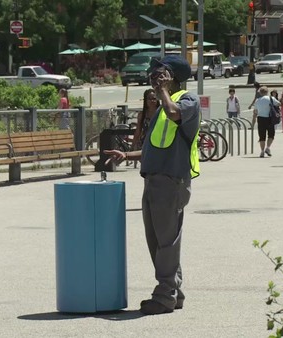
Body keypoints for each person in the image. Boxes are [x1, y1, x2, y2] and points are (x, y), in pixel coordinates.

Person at [104, 55, 200, 316]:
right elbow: (153, 147)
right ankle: (174, 291)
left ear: (173, 76)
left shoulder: (186, 101)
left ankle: (165, 294)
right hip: (154, 179)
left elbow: (175, 115)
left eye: (160, 73)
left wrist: (164, 92)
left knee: (167, 241)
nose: (154, 77)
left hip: (171, 181)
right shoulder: (162, 106)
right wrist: (128, 155)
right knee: (157, 241)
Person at [252, 86, 279, 157]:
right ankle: (268, 147)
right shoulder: (271, 98)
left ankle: (262, 151)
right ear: (267, 92)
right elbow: (278, 103)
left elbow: (255, 111)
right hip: (269, 118)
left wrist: (253, 121)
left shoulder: (257, 100)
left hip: (260, 119)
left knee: (262, 136)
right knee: (271, 135)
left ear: (260, 93)